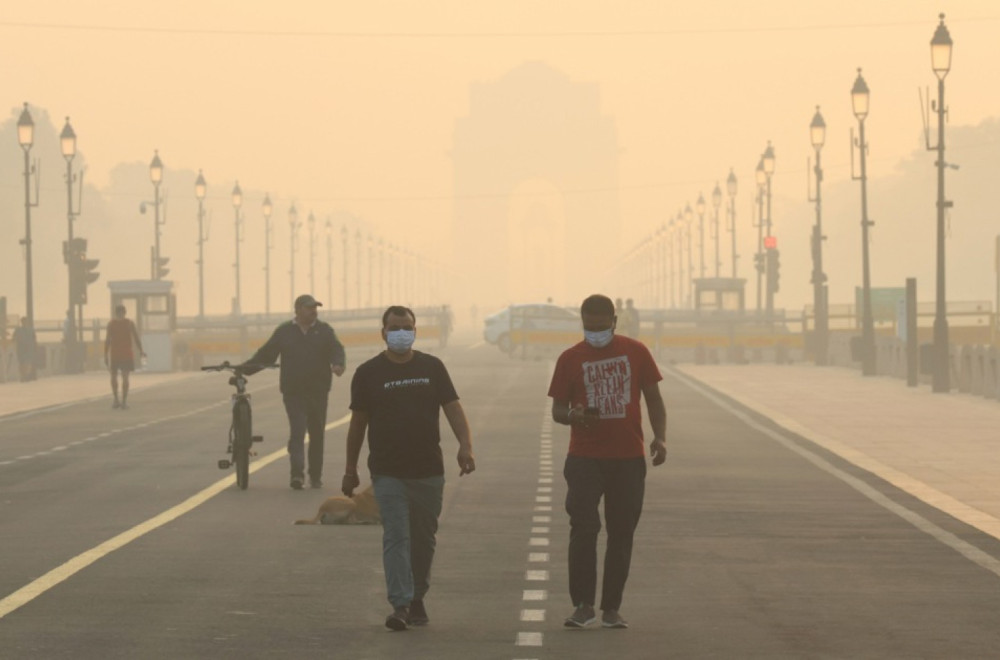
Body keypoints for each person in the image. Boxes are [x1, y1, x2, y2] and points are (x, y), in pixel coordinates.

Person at [342, 305, 475, 631]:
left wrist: (465, 446)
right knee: (396, 537)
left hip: (429, 471)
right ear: (383, 332)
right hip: (388, 473)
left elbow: (453, 408)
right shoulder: (368, 373)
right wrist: (350, 468)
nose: (401, 332)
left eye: (407, 327)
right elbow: (358, 424)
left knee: (423, 539)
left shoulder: (432, 367)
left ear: (415, 331)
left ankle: (417, 597)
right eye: (394, 327)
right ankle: (400, 604)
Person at [547, 293, 667, 630]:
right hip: (584, 459)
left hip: (628, 459)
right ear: (582, 322)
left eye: (602, 327)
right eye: (589, 326)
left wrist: (661, 437)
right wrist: (574, 414)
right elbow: (557, 409)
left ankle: (611, 607)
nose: (595, 332)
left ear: (614, 322)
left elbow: (654, 399)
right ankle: (582, 605)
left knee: (621, 533)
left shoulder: (636, 352)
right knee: (584, 528)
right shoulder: (569, 358)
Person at [244, 294, 346, 490]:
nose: (314, 311)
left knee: (317, 434)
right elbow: (267, 354)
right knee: (297, 431)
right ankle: (297, 475)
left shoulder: (324, 331)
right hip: (293, 391)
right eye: (309, 308)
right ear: (297, 310)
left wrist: (338, 364)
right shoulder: (285, 332)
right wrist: (245, 370)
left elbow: (336, 349)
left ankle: (315, 476)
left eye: (315, 307)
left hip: (318, 391)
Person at [104, 305, 145, 408]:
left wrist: (105, 354)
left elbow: (107, 340)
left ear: (115, 312)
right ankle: (124, 402)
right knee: (125, 377)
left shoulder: (111, 324)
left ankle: (116, 400)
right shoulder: (129, 323)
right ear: (125, 312)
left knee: (113, 376)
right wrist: (141, 351)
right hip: (127, 354)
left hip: (115, 354)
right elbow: (136, 338)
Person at [13, 317, 37, 382]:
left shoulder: (31, 330)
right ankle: (23, 376)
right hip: (21, 348)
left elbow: (34, 339)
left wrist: (34, 347)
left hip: (29, 348)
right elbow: (14, 338)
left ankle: (25, 376)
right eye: (24, 321)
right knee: (22, 363)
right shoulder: (18, 330)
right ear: (22, 322)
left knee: (28, 363)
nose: (25, 323)